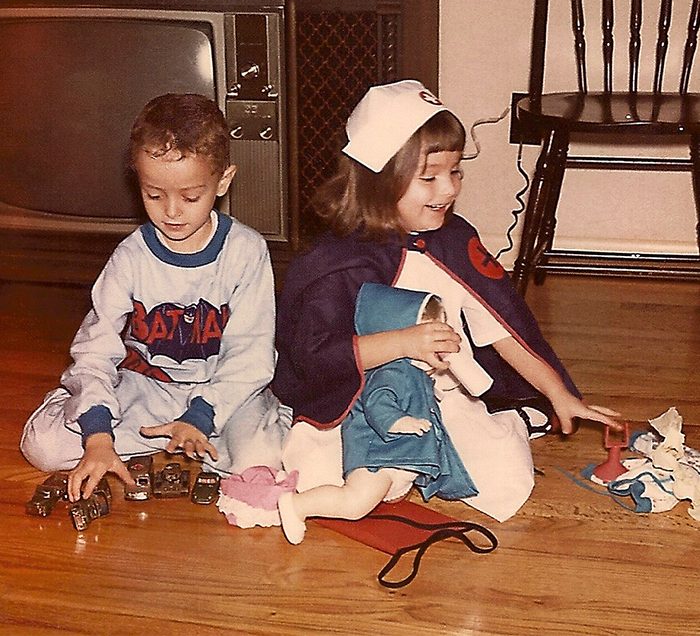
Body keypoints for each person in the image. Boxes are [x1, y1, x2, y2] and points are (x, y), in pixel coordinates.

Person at [271, 79, 621, 522]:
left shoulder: (454, 241)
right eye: (429, 177)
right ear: (378, 180)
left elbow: (503, 325)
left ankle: (477, 437)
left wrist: (558, 393)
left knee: (506, 483)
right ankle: (396, 467)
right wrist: (406, 342)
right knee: (315, 480)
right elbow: (316, 355)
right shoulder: (336, 262)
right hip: (354, 401)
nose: (449, 189)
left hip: (441, 395)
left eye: (455, 171)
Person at [21, 93, 290, 502]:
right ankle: (99, 414)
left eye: (190, 197)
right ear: (139, 183)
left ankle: (197, 433)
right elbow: (96, 349)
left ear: (223, 181)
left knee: (263, 458)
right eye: (154, 194)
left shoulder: (247, 251)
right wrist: (96, 435)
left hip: (223, 391)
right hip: (147, 387)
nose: (171, 212)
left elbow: (250, 353)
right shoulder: (130, 257)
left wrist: (201, 414)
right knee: (44, 447)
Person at [278, 282, 476, 544]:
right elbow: (377, 401)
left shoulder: (413, 370)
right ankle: (298, 505)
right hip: (377, 451)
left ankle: (389, 488)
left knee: (388, 488)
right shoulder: (392, 371)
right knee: (355, 502)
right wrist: (397, 420)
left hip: (393, 452)